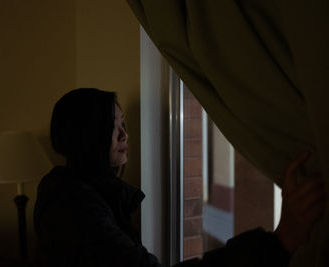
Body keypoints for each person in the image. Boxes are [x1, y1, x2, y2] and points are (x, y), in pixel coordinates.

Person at [33, 88, 327, 267]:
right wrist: (278, 242)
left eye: (123, 123)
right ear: (86, 135)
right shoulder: (73, 208)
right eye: (111, 126)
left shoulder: (84, 195)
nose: (124, 134)